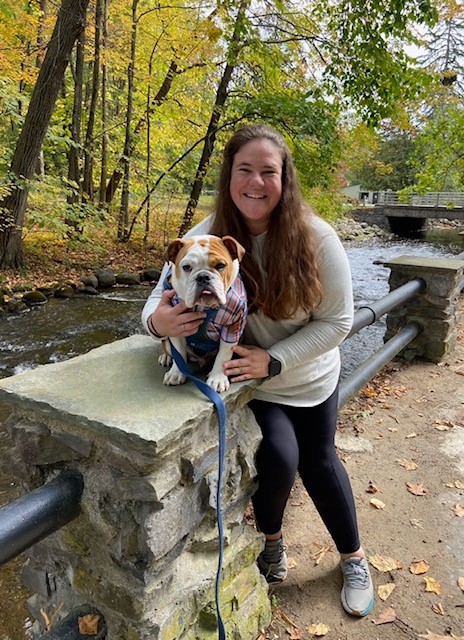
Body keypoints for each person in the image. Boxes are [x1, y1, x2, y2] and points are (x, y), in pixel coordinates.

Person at [141, 124, 374, 617]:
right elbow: (155, 301)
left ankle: (353, 558)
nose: (256, 182)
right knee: (279, 463)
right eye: (244, 169)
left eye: (269, 171)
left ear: (284, 179)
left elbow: (339, 321)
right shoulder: (209, 233)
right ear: (229, 177)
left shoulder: (317, 237)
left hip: (306, 375)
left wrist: (276, 358)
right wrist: (157, 322)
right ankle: (272, 542)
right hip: (253, 382)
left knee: (321, 462)